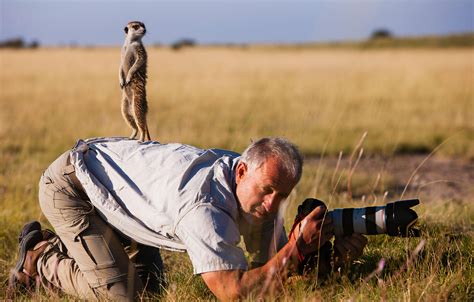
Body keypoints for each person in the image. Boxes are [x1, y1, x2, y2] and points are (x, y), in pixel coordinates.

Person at [10, 137, 367, 300]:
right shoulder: (204, 208)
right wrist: (294, 250)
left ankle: (83, 248)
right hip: (74, 186)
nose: (274, 205)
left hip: (126, 199)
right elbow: (234, 292)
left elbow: (271, 273)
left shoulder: (252, 189)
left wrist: (327, 259)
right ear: (241, 171)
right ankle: (41, 256)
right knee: (123, 296)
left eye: (284, 195)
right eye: (269, 191)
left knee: (152, 291)